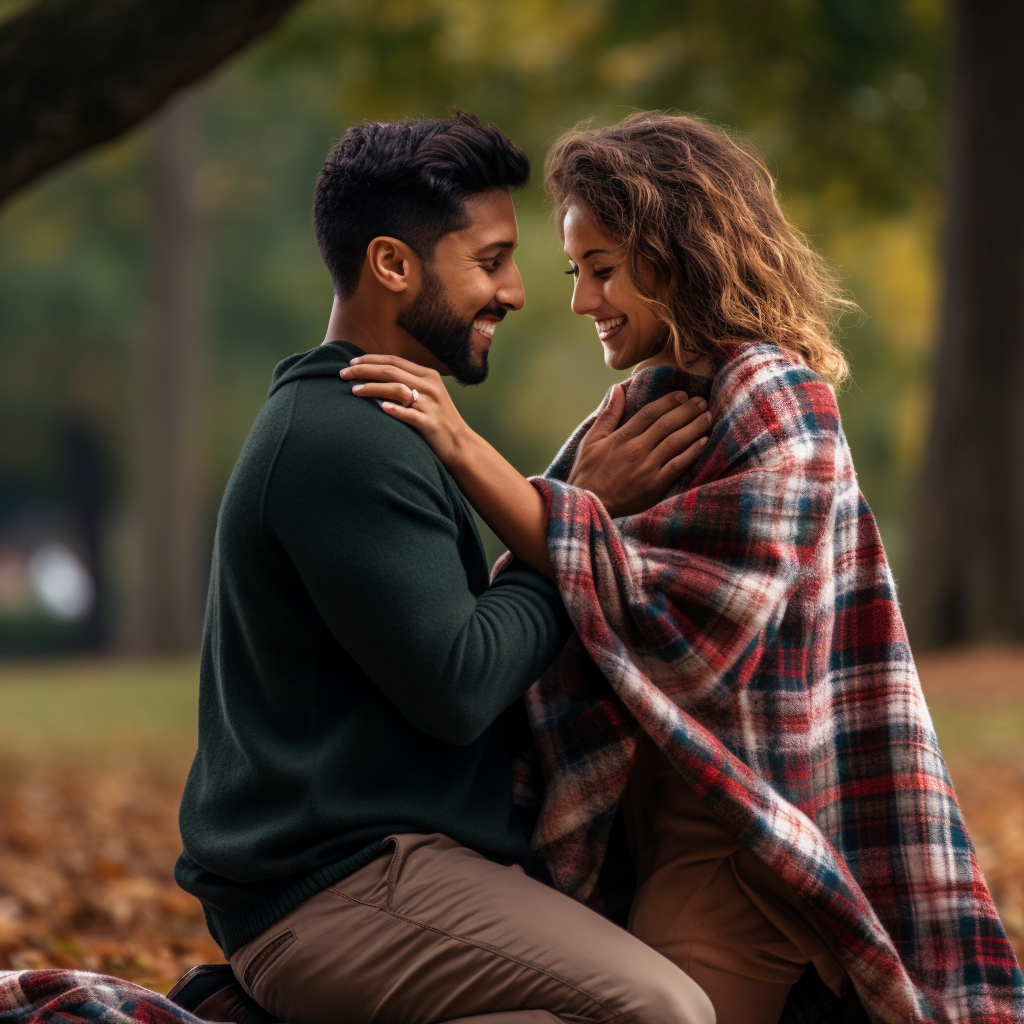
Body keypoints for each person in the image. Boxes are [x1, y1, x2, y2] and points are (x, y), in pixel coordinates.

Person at [341, 113, 1024, 1024]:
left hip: (741, 844)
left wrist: (466, 451)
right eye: (575, 271)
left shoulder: (778, 399)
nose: (582, 301)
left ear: (678, 254)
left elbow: (692, 629)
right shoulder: (646, 397)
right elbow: (586, 556)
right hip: (649, 819)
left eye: (605, 269)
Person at [173, 110, 716, 1024]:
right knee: (666, 1011)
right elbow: (462, 683)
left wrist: (555, 515)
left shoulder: (382, 420)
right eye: (490, 260)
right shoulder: (342, 440)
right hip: (336, 888)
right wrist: (582, 525)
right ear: (394, 265)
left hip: (393, 867)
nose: (515, 291)